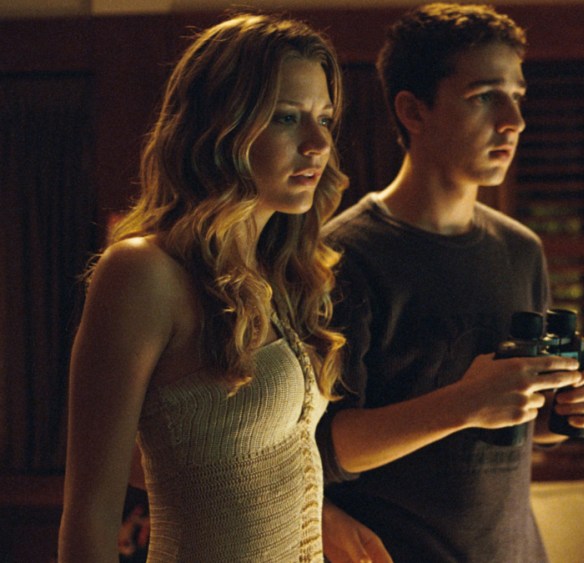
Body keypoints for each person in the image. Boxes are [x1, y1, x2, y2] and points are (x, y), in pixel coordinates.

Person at [58, 13, 389, 562]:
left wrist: (320, 514)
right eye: (287, 117)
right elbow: (91, 510)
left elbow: (238, 464)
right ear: (221, 126)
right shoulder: (144, 272)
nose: (317, 143)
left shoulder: (278, 275)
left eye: (325, 119)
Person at [319, 3, 584, 561]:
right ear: (413, 111)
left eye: (517, 96)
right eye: (484, 96)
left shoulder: (520, 249)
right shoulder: (343, 256)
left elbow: (519, 419)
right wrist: (465, 402)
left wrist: (572, 411)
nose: (513, 120)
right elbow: (320, 448)